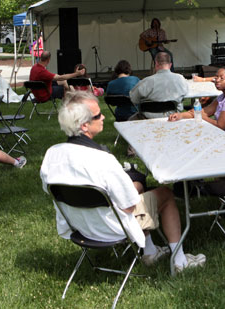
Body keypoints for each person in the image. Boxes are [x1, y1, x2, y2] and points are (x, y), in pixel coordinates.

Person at [40, 90, 205, 272]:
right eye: (97, 115)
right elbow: (128, 205)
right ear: (84, 125)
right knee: (164, 194)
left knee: (138, 186)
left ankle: (150, 251)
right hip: (110, 227)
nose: (103, 116)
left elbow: (53, 190)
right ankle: (180, 260)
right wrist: (135, 184)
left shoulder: (52, 154)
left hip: (78, 224)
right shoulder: (102, 159)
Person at [168, 66, 225, 136]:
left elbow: (220, 126)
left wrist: (201, 117)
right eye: (216, 77)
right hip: (222, 135)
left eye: (221, 78)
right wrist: (181, 115)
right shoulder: (222, 97)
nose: (217, 80)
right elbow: (205, 111)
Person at [129, 51, 187, 119]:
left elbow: (133, 99)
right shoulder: (180, 79)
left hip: (147, 118)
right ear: (170, 65)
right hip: (173, 117)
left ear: (156, 64)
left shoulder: (146, 81)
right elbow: (184, 96)